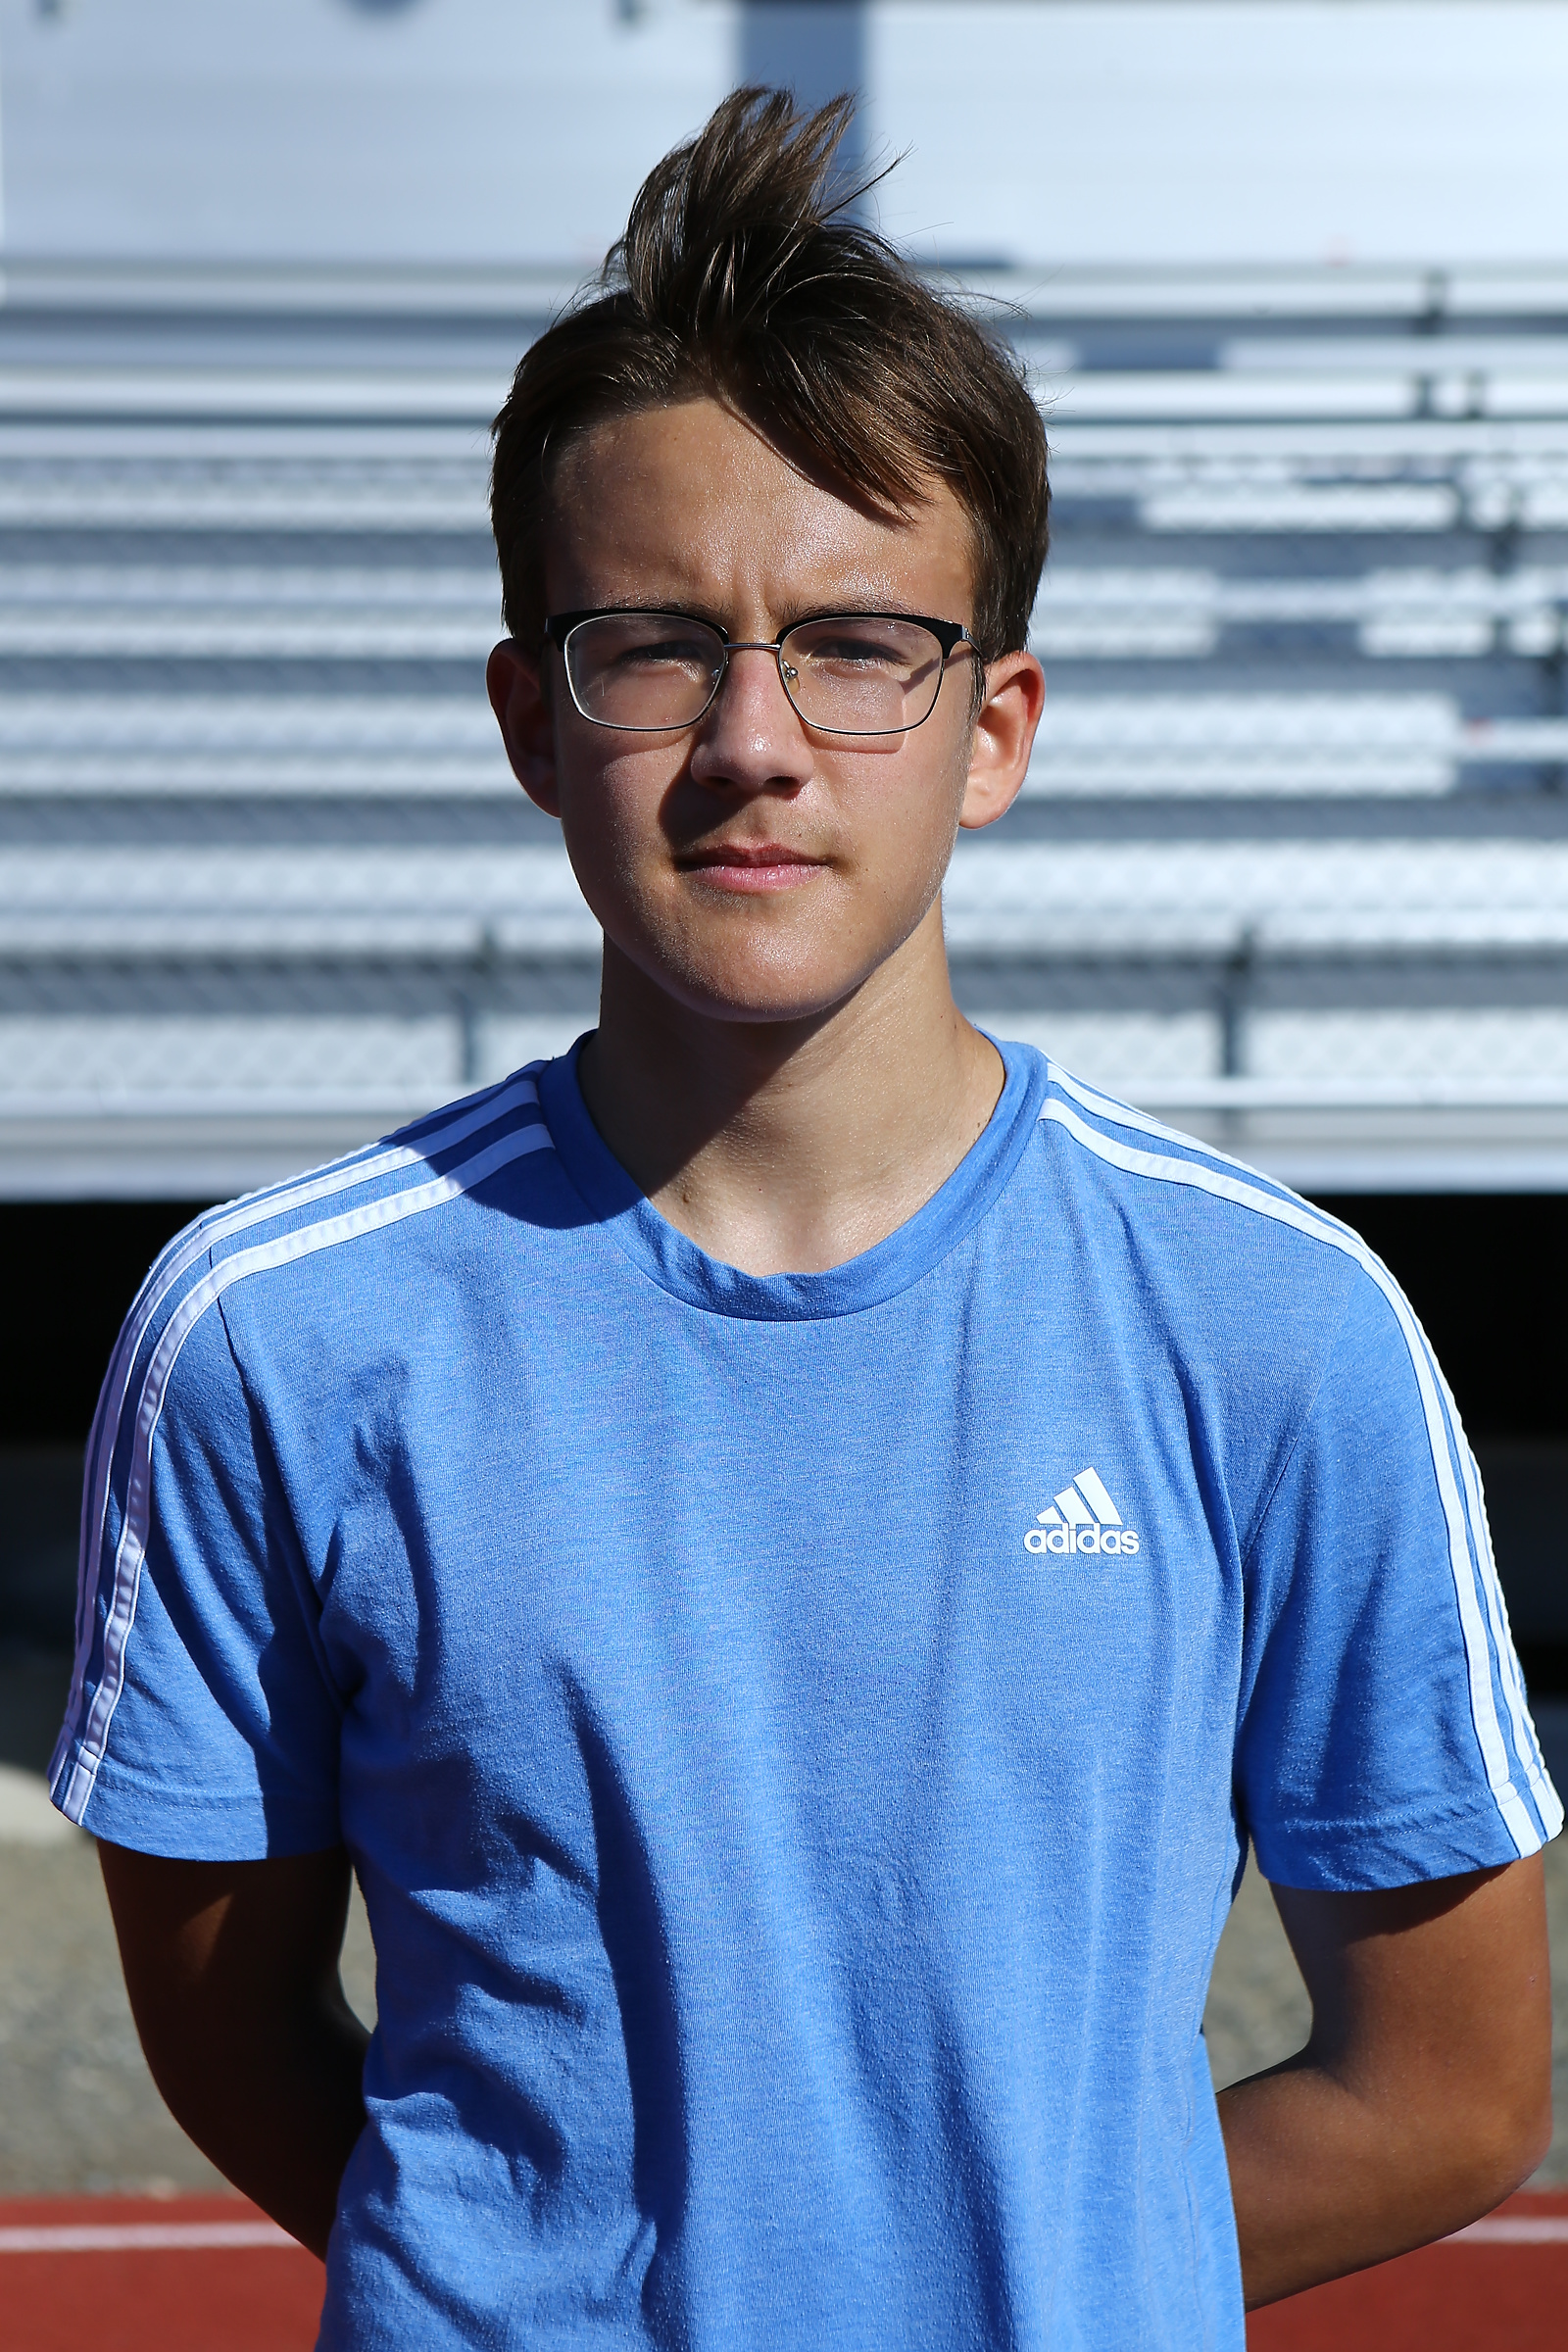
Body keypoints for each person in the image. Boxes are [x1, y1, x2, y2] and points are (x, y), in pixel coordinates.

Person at [53, 89, 1555, 2352]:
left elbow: (1446, 2092)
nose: (752, 738)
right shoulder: (273, 1338)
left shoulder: (1274, 1326)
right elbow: (234, 2035)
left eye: (857, 644)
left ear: (995, 728)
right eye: (653, 643)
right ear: (529, 722)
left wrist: (1018, 2278)